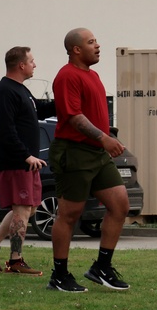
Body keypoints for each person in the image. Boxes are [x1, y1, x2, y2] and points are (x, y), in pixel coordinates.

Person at [47, 28, 130, 293]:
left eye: (96, 40)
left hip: (96, 153)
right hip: (74, 151)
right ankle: (59, 275)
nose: (98, 45)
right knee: (69, 214)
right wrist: (103, 138)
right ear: (76, 50)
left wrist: (106, 138)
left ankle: (101, 268)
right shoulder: (66, 76)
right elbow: (74, 117)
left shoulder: (92, 75)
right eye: (91, 42)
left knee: (119, 205)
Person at [0, 46, 55, 276]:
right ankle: (15, 261)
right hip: (15, 162)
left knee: (28, 209)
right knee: (21, 209)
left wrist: (65, 103)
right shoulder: (4, 92)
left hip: (27, 163)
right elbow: (4, 130)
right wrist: (25, 155)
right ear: (21, 65)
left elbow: (38, 111)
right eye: (32, 61)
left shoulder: (21, 91)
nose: (35, 65)